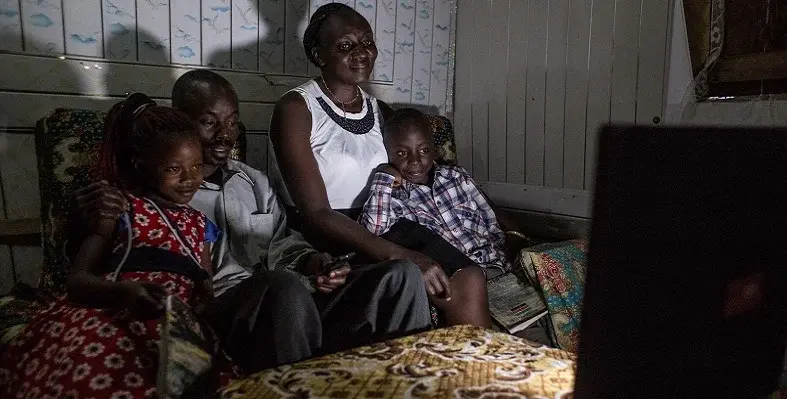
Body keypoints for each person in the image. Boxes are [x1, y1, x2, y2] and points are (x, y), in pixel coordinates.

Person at [74, 71, 431, 373]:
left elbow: (283, 242)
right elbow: (111, 247)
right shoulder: (156, 193)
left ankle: (404, 385)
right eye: (209, 122)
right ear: (180, 120)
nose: (225, 135)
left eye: (232, 122)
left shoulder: (255, 182)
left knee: (400, 276)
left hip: (293, 304)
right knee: (282, 288)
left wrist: (316, 263)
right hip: (229, 317)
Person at [0, 94, 233, 397]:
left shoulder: (201, 225)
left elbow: (205, 289)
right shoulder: (119, 208)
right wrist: (124, 293)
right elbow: (77, 281)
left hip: (175, 328)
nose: (190, 179)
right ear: (141, 165)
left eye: (197, 166)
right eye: (173, 169)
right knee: (104, 375)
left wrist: (197, 314)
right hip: (116, 314)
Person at [270, 3, 465, 306]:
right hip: (329, 235)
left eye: (367, 42)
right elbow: (316, 213)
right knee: (412, 276)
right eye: (345, 46)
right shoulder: (297, 108)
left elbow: (432, 174)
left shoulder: (379, 111)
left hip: (383, 222)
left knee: (466, 277)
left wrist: (506, 226)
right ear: (319, 55)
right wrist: (400, 254)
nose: (361, 53)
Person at [359, 108, 522, 328]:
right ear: (386, 154)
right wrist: (384, 176)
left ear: (435, 150)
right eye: (402, 153)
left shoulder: (457, 177)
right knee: (489, 339)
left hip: (495, 267)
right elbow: (372, 230)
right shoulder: (393, 199)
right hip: (458, 282)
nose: (415, 161)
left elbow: (491, 222)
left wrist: (506, 257)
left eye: (424, 150)